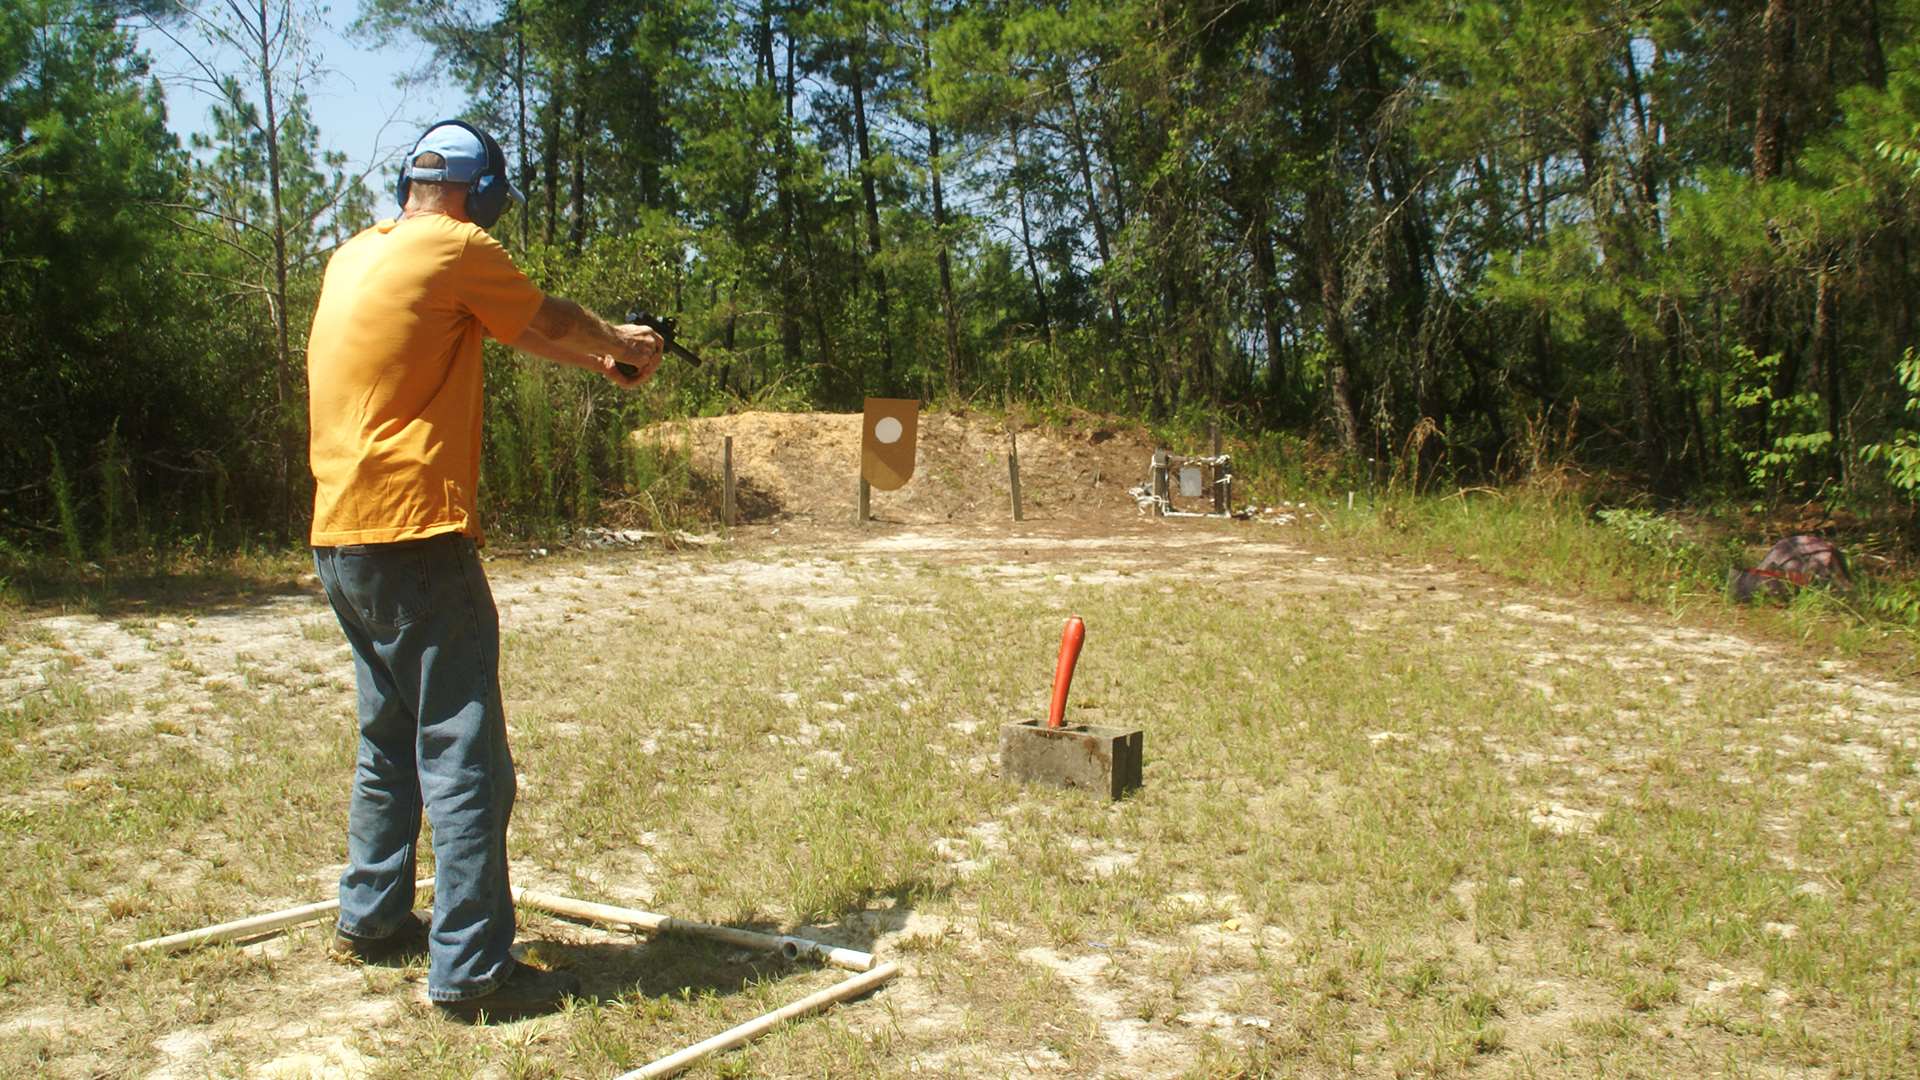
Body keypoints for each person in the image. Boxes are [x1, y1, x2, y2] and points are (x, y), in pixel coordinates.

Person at [305, 119, 662, 1022]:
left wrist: (604, 354)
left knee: (389, 741)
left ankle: (372, 918)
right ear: (484, 190)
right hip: (415, 535)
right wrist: (623, 338)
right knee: (465, 754)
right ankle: (470, 968)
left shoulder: (358, 254)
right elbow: (544, 317)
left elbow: (522, 331)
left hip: (341, 535)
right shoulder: (459, 245)